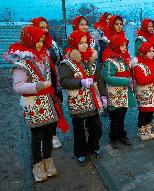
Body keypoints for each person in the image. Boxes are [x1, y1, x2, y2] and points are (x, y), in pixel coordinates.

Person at [4, 25, 68, 182]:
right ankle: (37, 165)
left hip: (46, 101)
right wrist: (37, 86)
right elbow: (17, 86)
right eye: (37, 41)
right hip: (32, 104)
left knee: (48, 134)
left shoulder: (44, 58)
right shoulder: (22, 62)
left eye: (41, 41)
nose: (40, 44)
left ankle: (48, 159)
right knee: (36, 136)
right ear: (28, 39)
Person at [60, 30, 107, 163]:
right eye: (81, 43)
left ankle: (93, 146)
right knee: (79, 130)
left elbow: (99, 78)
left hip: (93, 99)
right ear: (74, 44)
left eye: (86, 42)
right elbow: (63, 81)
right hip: (78, 101)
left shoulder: (91, 59)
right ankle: (80, 151)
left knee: (96, 126)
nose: (85, 45)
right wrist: (80, 82)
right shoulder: (67, 62)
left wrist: (103, 96)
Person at [32, 17, 64, 149]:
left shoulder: (53, 44)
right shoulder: (31, 45)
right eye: (41, 28)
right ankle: (41, 137)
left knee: (56, 107)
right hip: (40, 84)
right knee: (43, 109)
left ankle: (53, 135)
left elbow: (60, 60)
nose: (45, 30)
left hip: (54, 82)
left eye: (46, 28)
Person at [103, 35, 135, 149]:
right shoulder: (110, 61)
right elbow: (108, 77)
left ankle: (121, 134)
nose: (124, 47)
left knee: (122, 115)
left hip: (124, 93)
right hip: (115, 93)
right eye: (122, 45)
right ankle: (114, 136)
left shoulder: (123, 58)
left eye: (125, 45)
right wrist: (126, 80)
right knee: (115, 117)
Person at [133, 42, 154, 140]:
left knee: (150, 112)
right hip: (144, 94)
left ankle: (148, 129)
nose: (151, 53)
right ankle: (142, 130)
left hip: (152, 93)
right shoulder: (139, 66)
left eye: (152, 51)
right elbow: (141, 80)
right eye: (149, 52)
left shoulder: (152, 63)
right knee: (144, 113)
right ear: (143, 53)